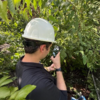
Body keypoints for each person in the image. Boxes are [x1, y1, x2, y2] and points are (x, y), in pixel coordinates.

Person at [16, 18, 68, 100]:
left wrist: (48, 69)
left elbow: (32, 72)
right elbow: (64, 97)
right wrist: (58, 68)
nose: (50, 49)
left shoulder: (20, 63)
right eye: (50, 47)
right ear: (43, 48)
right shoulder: (43, 85)